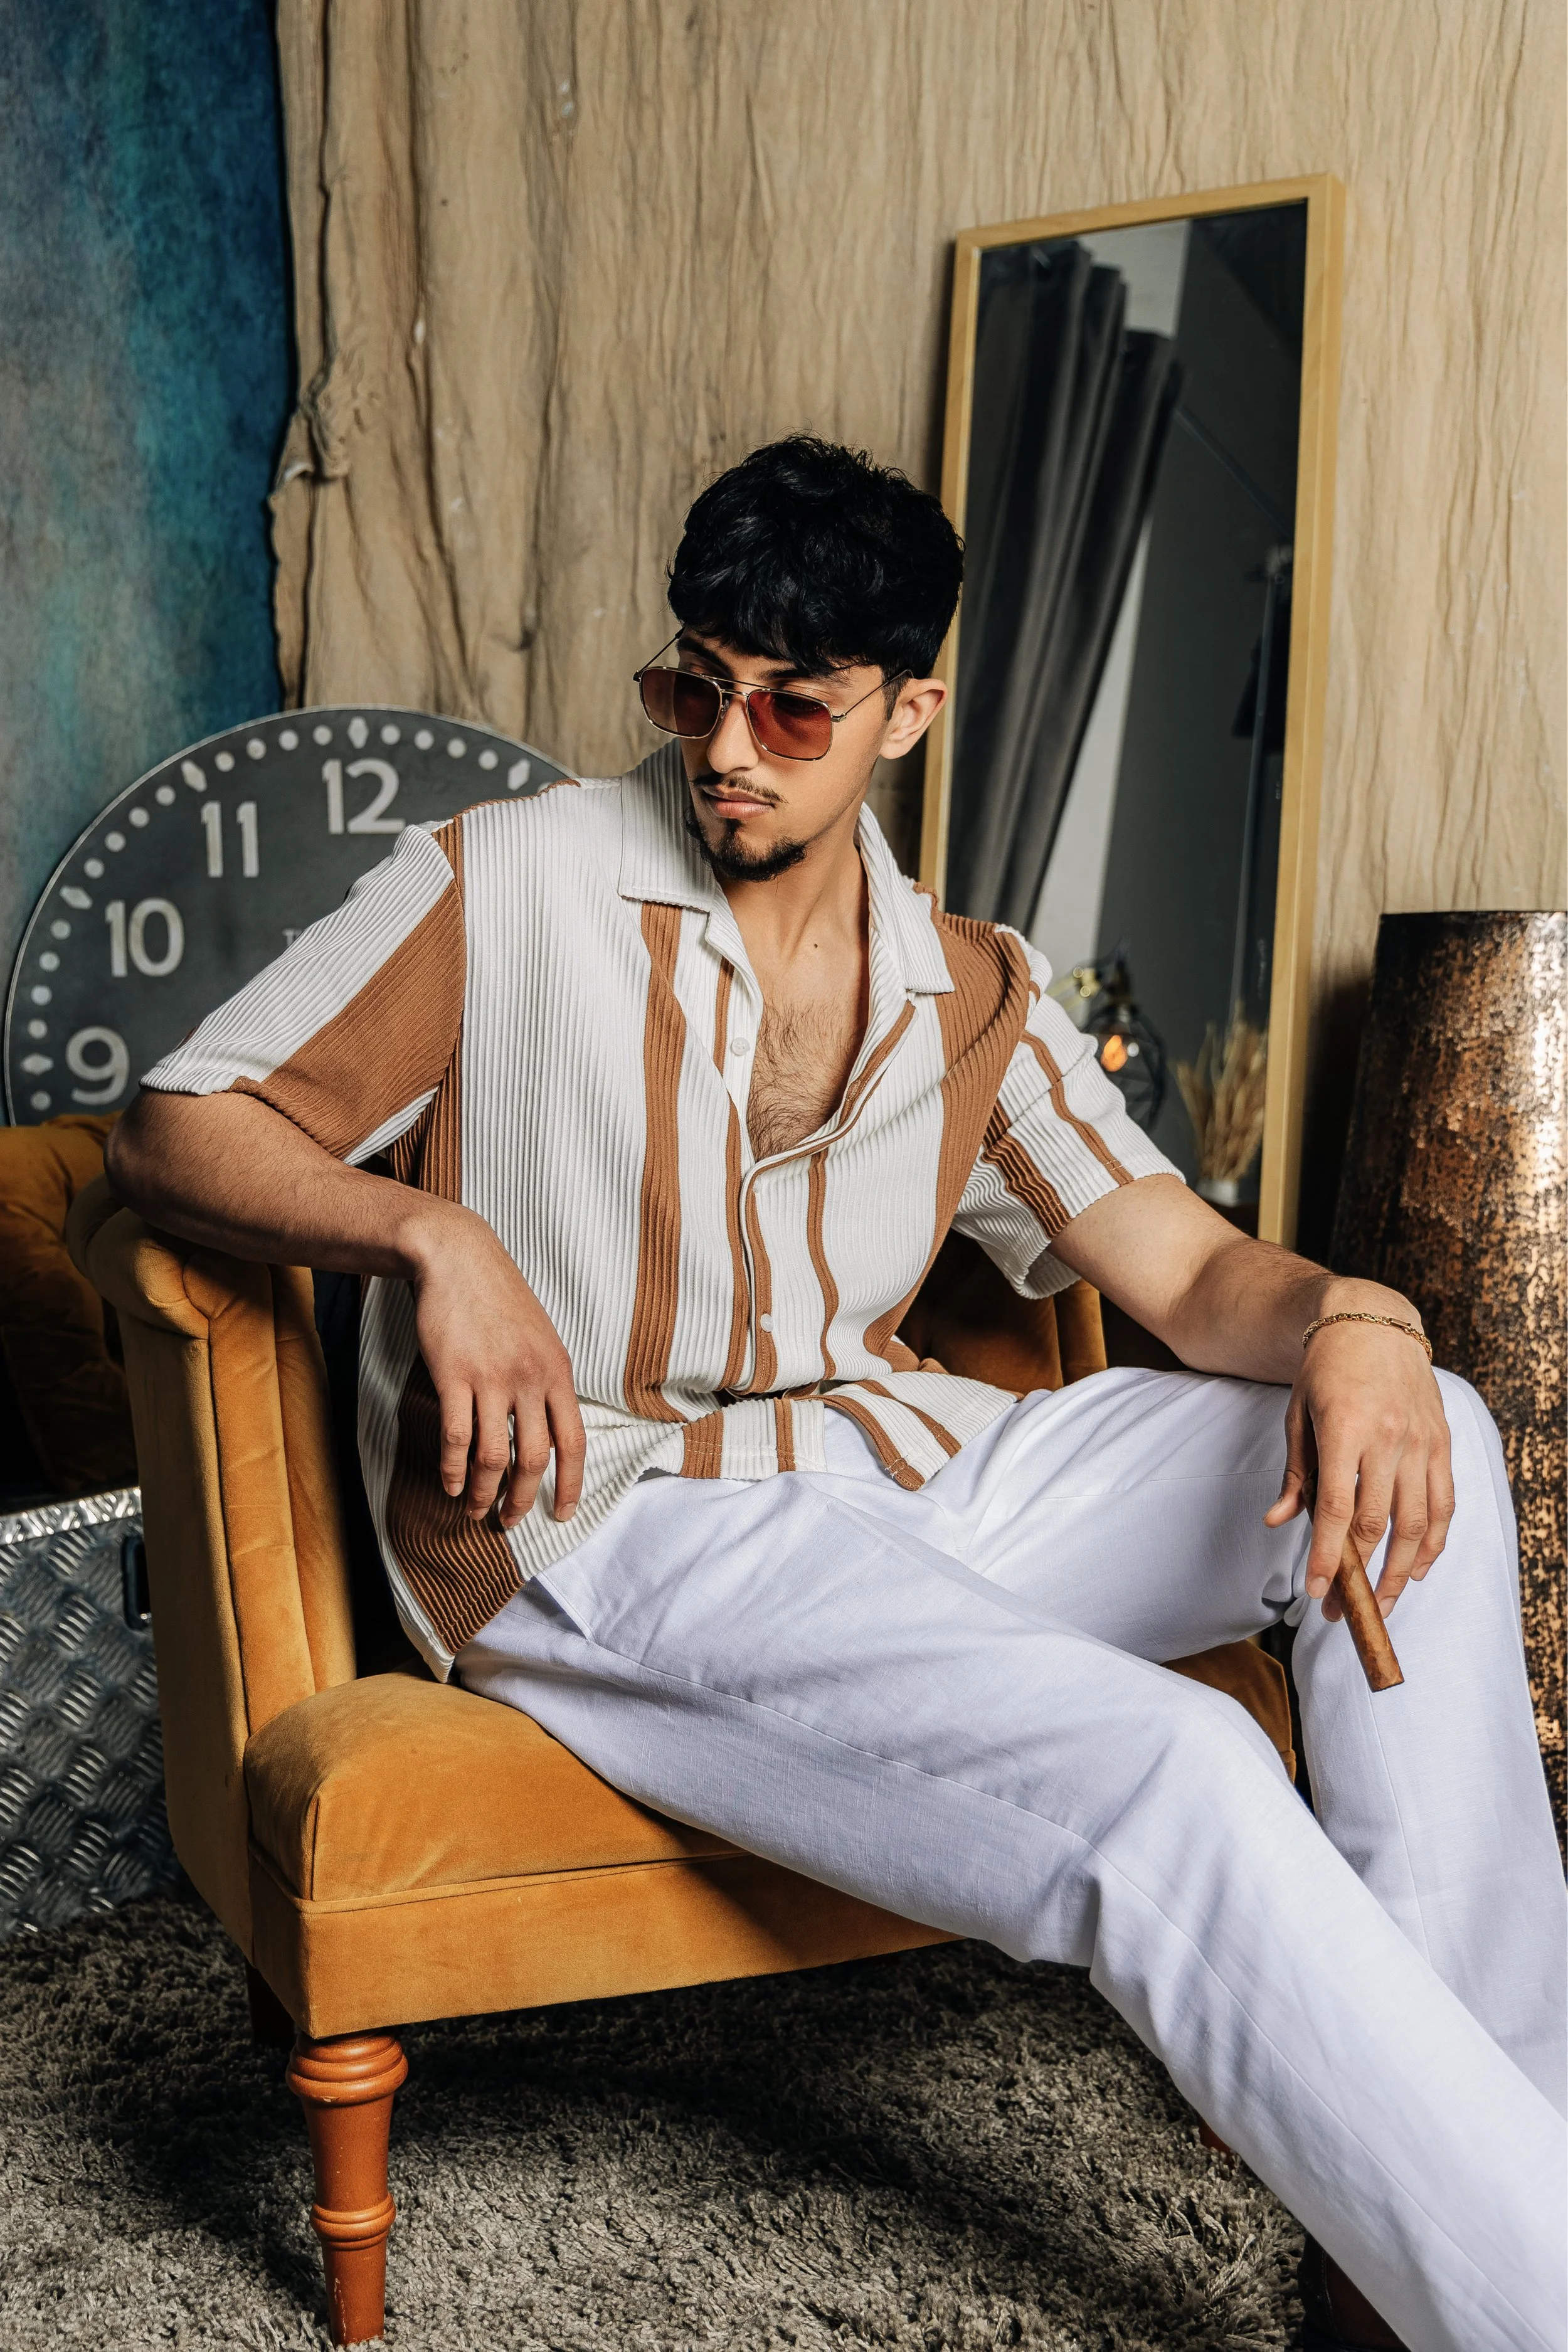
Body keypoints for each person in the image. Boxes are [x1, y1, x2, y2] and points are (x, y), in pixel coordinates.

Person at [107, 437, 1564, 2352]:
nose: (728, 746)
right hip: (620, 1519)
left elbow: (1197, 1275)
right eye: (692, 685)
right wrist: (428, 1242)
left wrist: (1362, 1318)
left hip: (921, 1481)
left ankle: (1436, 2247)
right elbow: (168, 1116)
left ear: (907, 711)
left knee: (1426, 1420)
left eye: (791, 706)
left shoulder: (969, 986)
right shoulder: (492, 883)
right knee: (1174, 1769)